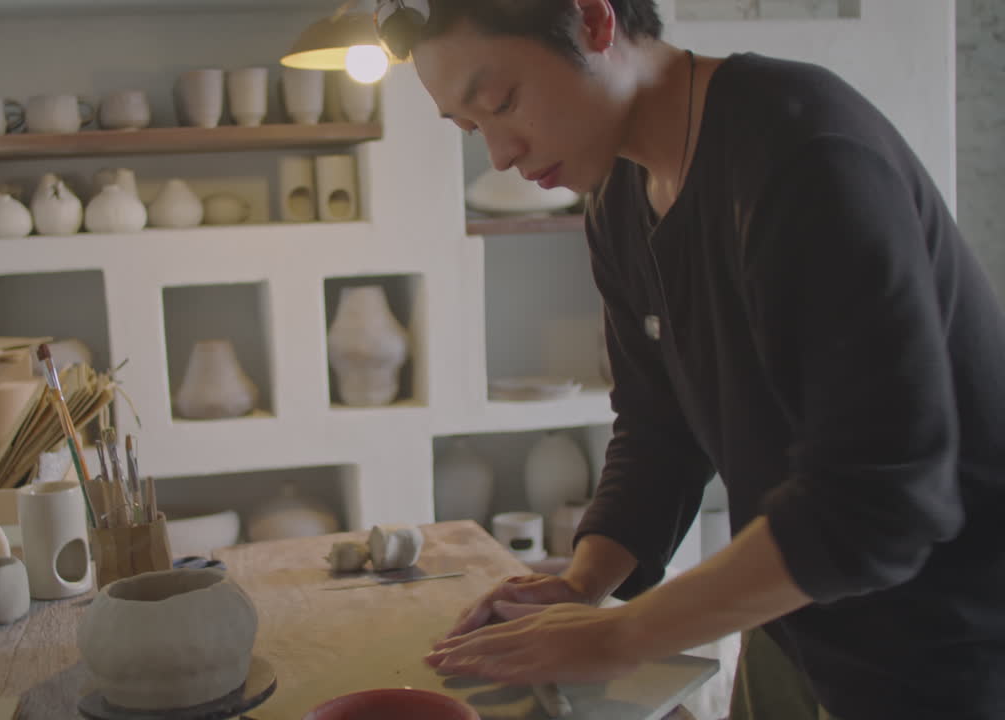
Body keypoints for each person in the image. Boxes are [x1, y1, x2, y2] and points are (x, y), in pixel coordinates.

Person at [373, 1, 1005, 718]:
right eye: (469, 127)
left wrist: (621, 636)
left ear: (594, 21)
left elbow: (879, 502)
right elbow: (657, 424)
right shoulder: (619, 198)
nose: (500, 153)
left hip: (944, 642)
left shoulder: (804, 153)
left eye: (501, 102)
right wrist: (581, 584)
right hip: (797, 614)